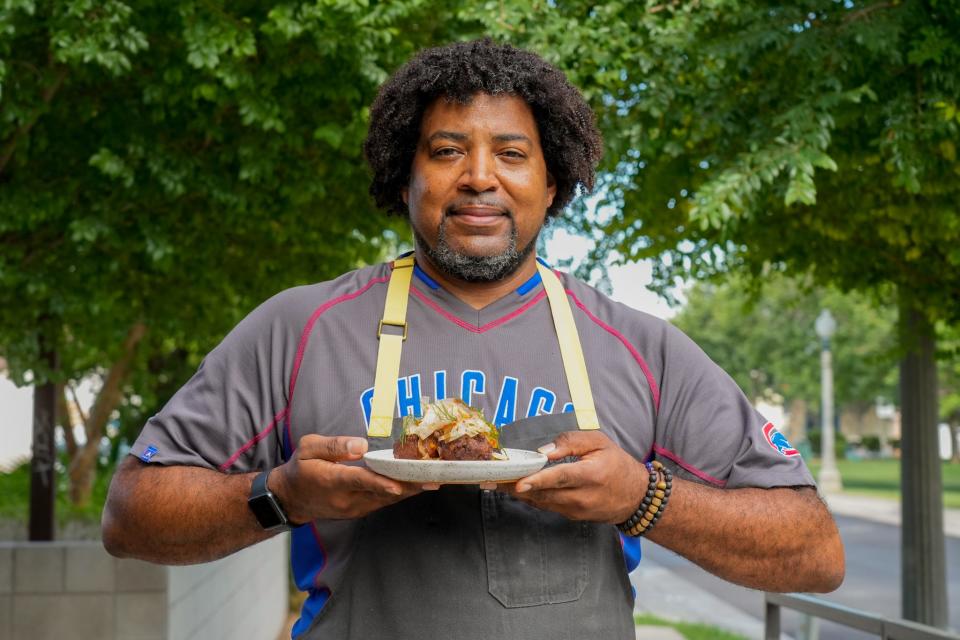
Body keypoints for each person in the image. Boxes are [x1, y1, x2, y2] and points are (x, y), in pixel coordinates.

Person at [102, 39, 844, 639]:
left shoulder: (641, 348)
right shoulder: (299, 328)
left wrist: (642, 498)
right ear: (404, 177)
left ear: (553, 184)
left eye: (513, 154)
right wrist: (284, 494)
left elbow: (814, 551)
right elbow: (130, 516)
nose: (479, 177)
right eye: (447, 150)